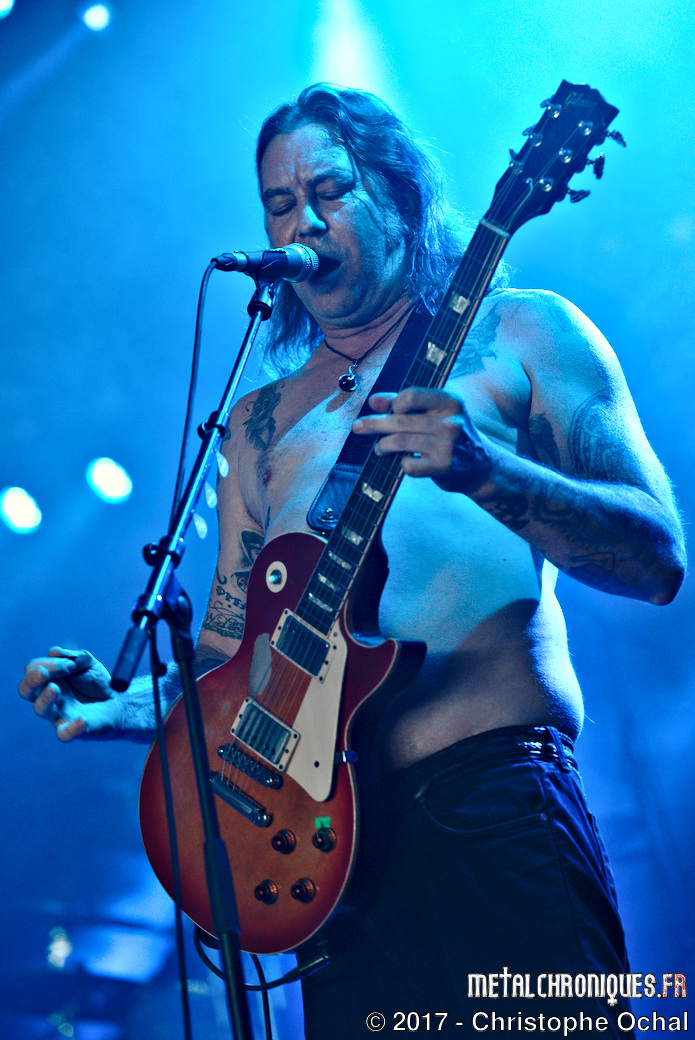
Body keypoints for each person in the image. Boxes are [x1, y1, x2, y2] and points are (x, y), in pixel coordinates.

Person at [19, 85, 685, 1038]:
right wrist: (129, 706)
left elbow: (656, 560)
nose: (303, 220)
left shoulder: (523, 333)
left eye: (330, 190)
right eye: (280, 203)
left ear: (400, 195)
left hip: (497, 807)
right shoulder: (257, 425)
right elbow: (231, 666)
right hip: (328, 862)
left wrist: (489, 473)